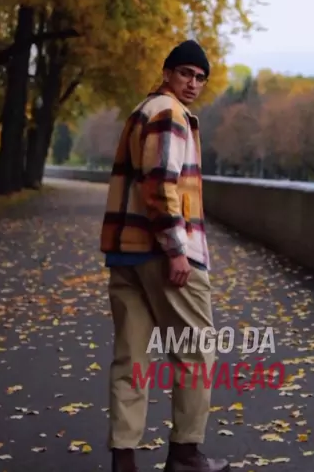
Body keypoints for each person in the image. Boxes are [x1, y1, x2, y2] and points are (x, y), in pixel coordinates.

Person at [100, 40, 229, 472]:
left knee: (131, 358)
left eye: (200, 77)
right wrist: (176, 250)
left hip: (127, 253)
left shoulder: (142, 111)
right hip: (162, 253)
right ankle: (185, 455)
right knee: (196, 351)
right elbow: (160, 184)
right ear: (167, 72)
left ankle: (124, 459)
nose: (193, 83)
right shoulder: (169, 113)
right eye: (185, 73)